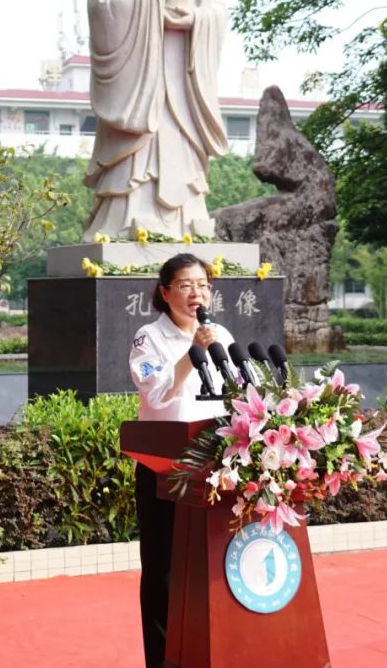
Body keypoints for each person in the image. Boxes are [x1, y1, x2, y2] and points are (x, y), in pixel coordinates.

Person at [84, 0, 229, 241]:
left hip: (181, 79)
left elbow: (213, 10)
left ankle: (190, 221)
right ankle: (127, 218)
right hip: (138, 83)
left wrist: (197, 17)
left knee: (181, 146)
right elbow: (103, 5)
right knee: (139, 154)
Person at [129, 253, 233, 668]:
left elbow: (239, 388)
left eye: (204, 284)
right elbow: (155, 393)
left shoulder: (219, 331)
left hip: (214, 465)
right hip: (166, 466)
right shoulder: (148, 337)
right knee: (164, 571)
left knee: (211, 564)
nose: (197, 292)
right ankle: (163, 659)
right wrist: (192, 353)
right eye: (187, 284)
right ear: (165, 291)